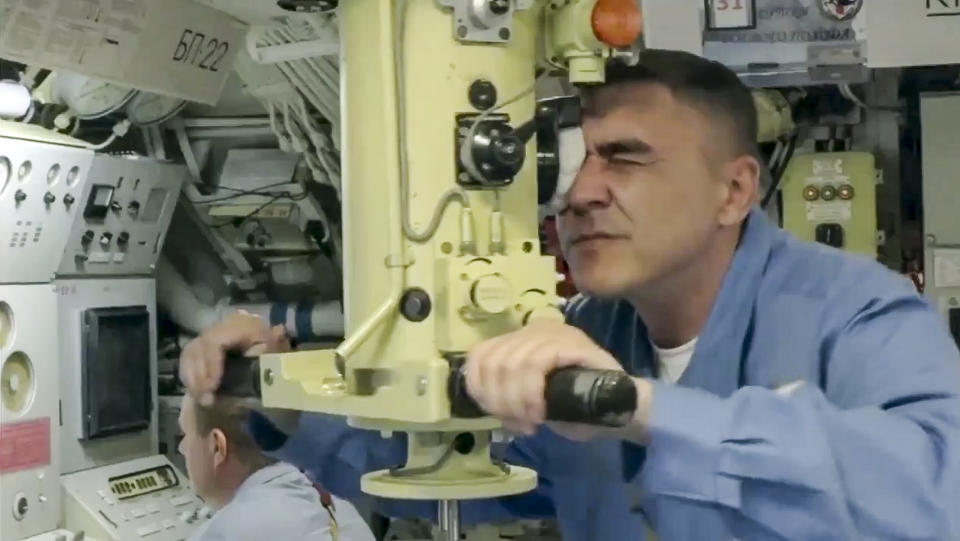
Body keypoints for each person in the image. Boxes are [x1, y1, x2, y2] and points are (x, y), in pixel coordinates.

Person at [181, 49, 960, 539]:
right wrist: (279, 399)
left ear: (734, 189)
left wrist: (637, 407)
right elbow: (448, 461)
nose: (580, 193)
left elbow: (933, 500)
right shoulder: (590, 328)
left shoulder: (861, 315)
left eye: (624, 158)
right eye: (577, 160)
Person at [177, 390, 375, 541]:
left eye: (185, 434)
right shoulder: (341, 508)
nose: (181, 448)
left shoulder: (224, 532)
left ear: (217, 446)